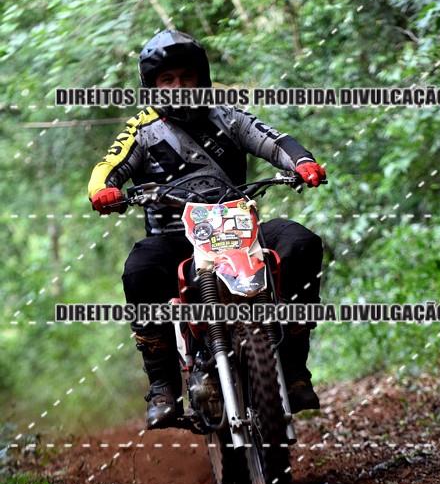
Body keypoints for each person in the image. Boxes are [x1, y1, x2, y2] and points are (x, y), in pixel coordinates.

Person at [88, 29, 326, 429]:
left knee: (300, 242)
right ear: (153, 87)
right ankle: (163, 386)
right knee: (140, 270)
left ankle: (294, 367)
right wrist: (104, 191)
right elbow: (106, 168)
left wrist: (302, 163)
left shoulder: (227, 115)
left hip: (238, 229)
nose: (179, 87)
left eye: (186, 77)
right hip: (174, 238)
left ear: (202, 78)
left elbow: (274, 141)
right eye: (167, 80)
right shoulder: (142, 130)